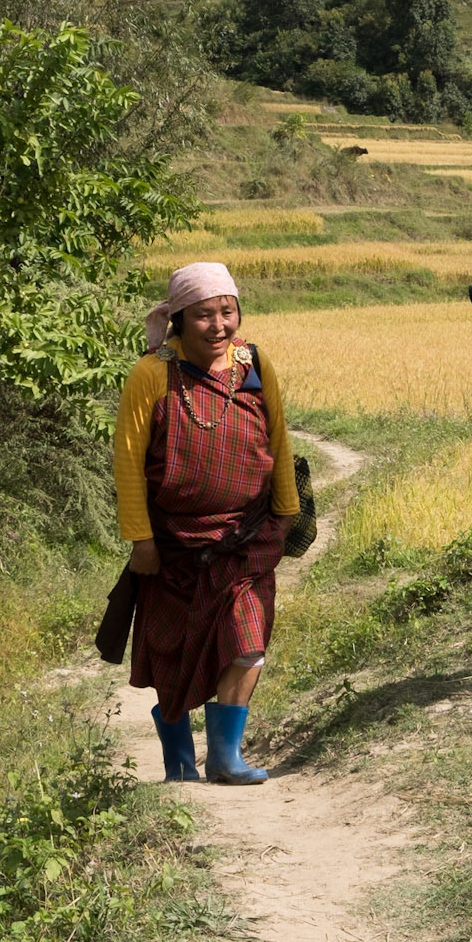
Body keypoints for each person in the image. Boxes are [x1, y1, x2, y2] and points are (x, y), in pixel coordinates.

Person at [113, 262, 299, 784]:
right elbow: (128, 461)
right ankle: (179, 763)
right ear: (177, 319)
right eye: (203, 316)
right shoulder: (152, 373)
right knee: (173, 653)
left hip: (247, 538)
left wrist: (285, 513)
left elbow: (279, 438)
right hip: (174, 545)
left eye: (227, 312)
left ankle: (225, 756)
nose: (219, 326)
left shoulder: (254, 363)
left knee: (248, 642)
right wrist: (141, 540)